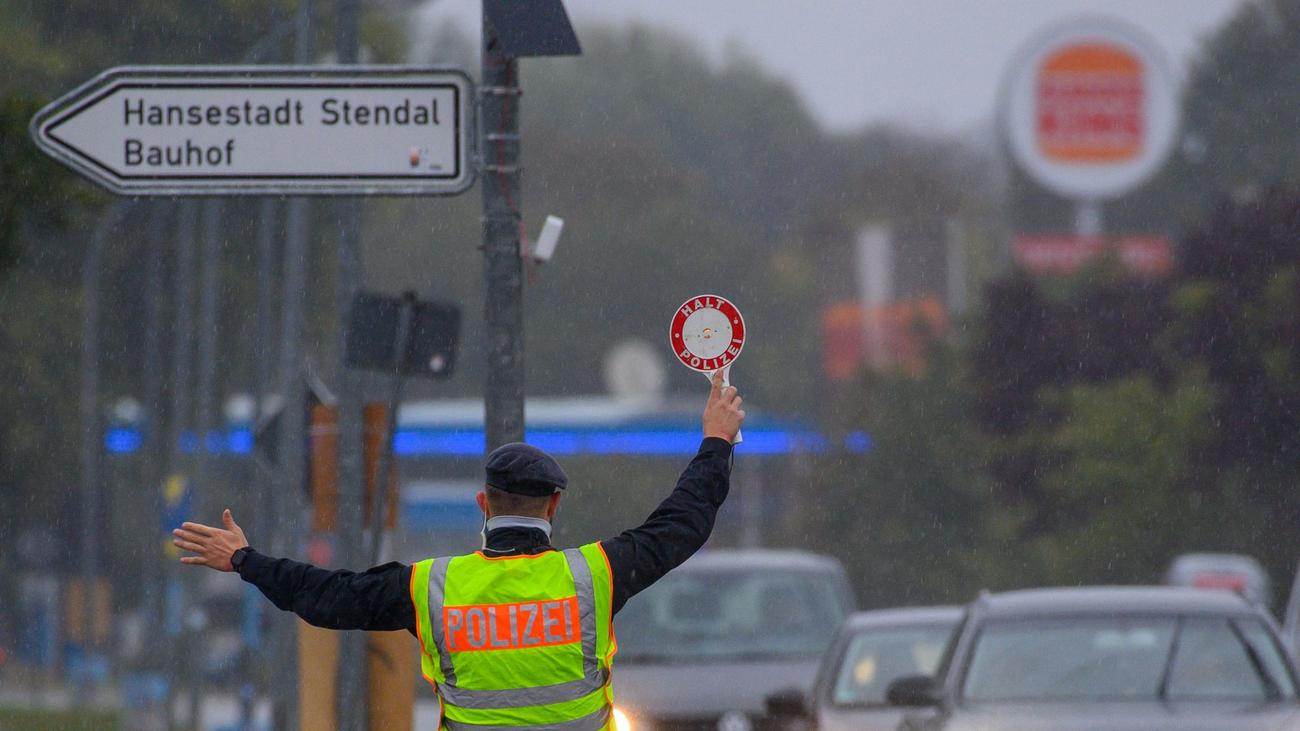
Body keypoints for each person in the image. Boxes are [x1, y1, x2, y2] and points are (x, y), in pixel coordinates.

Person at [174, 370, 744, 730]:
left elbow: (328, 597)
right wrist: (715, 441)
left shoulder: (431, 588)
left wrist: (246, 561)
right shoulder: (594, 574)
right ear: (553, 507)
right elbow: (681, 525)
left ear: (481, 502)